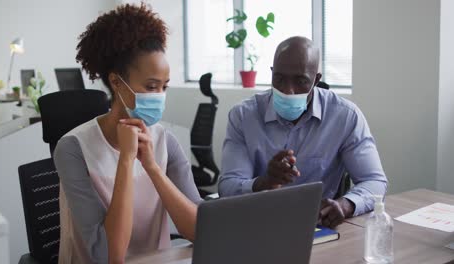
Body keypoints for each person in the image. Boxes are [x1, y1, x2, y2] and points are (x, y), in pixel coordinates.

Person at [53, 4, 201, 263]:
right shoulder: (73, 148)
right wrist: (126, 160)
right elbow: (108, 256)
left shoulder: (166, 142)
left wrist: (152, 167)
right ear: (116, 82)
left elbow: (202, 231)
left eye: (164, 87)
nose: (160, 97)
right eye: (151, 86)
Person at [218, 36, 387, 229]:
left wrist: (346, 204)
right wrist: (265, 182)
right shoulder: (243, 116)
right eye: (279, 79)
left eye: (300, 81)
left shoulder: (345, 117)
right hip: (256, 224)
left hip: (316, 227)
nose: (288, 91)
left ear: (316, 79)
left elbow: (374, 181)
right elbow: (227, 187)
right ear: (272, 74)